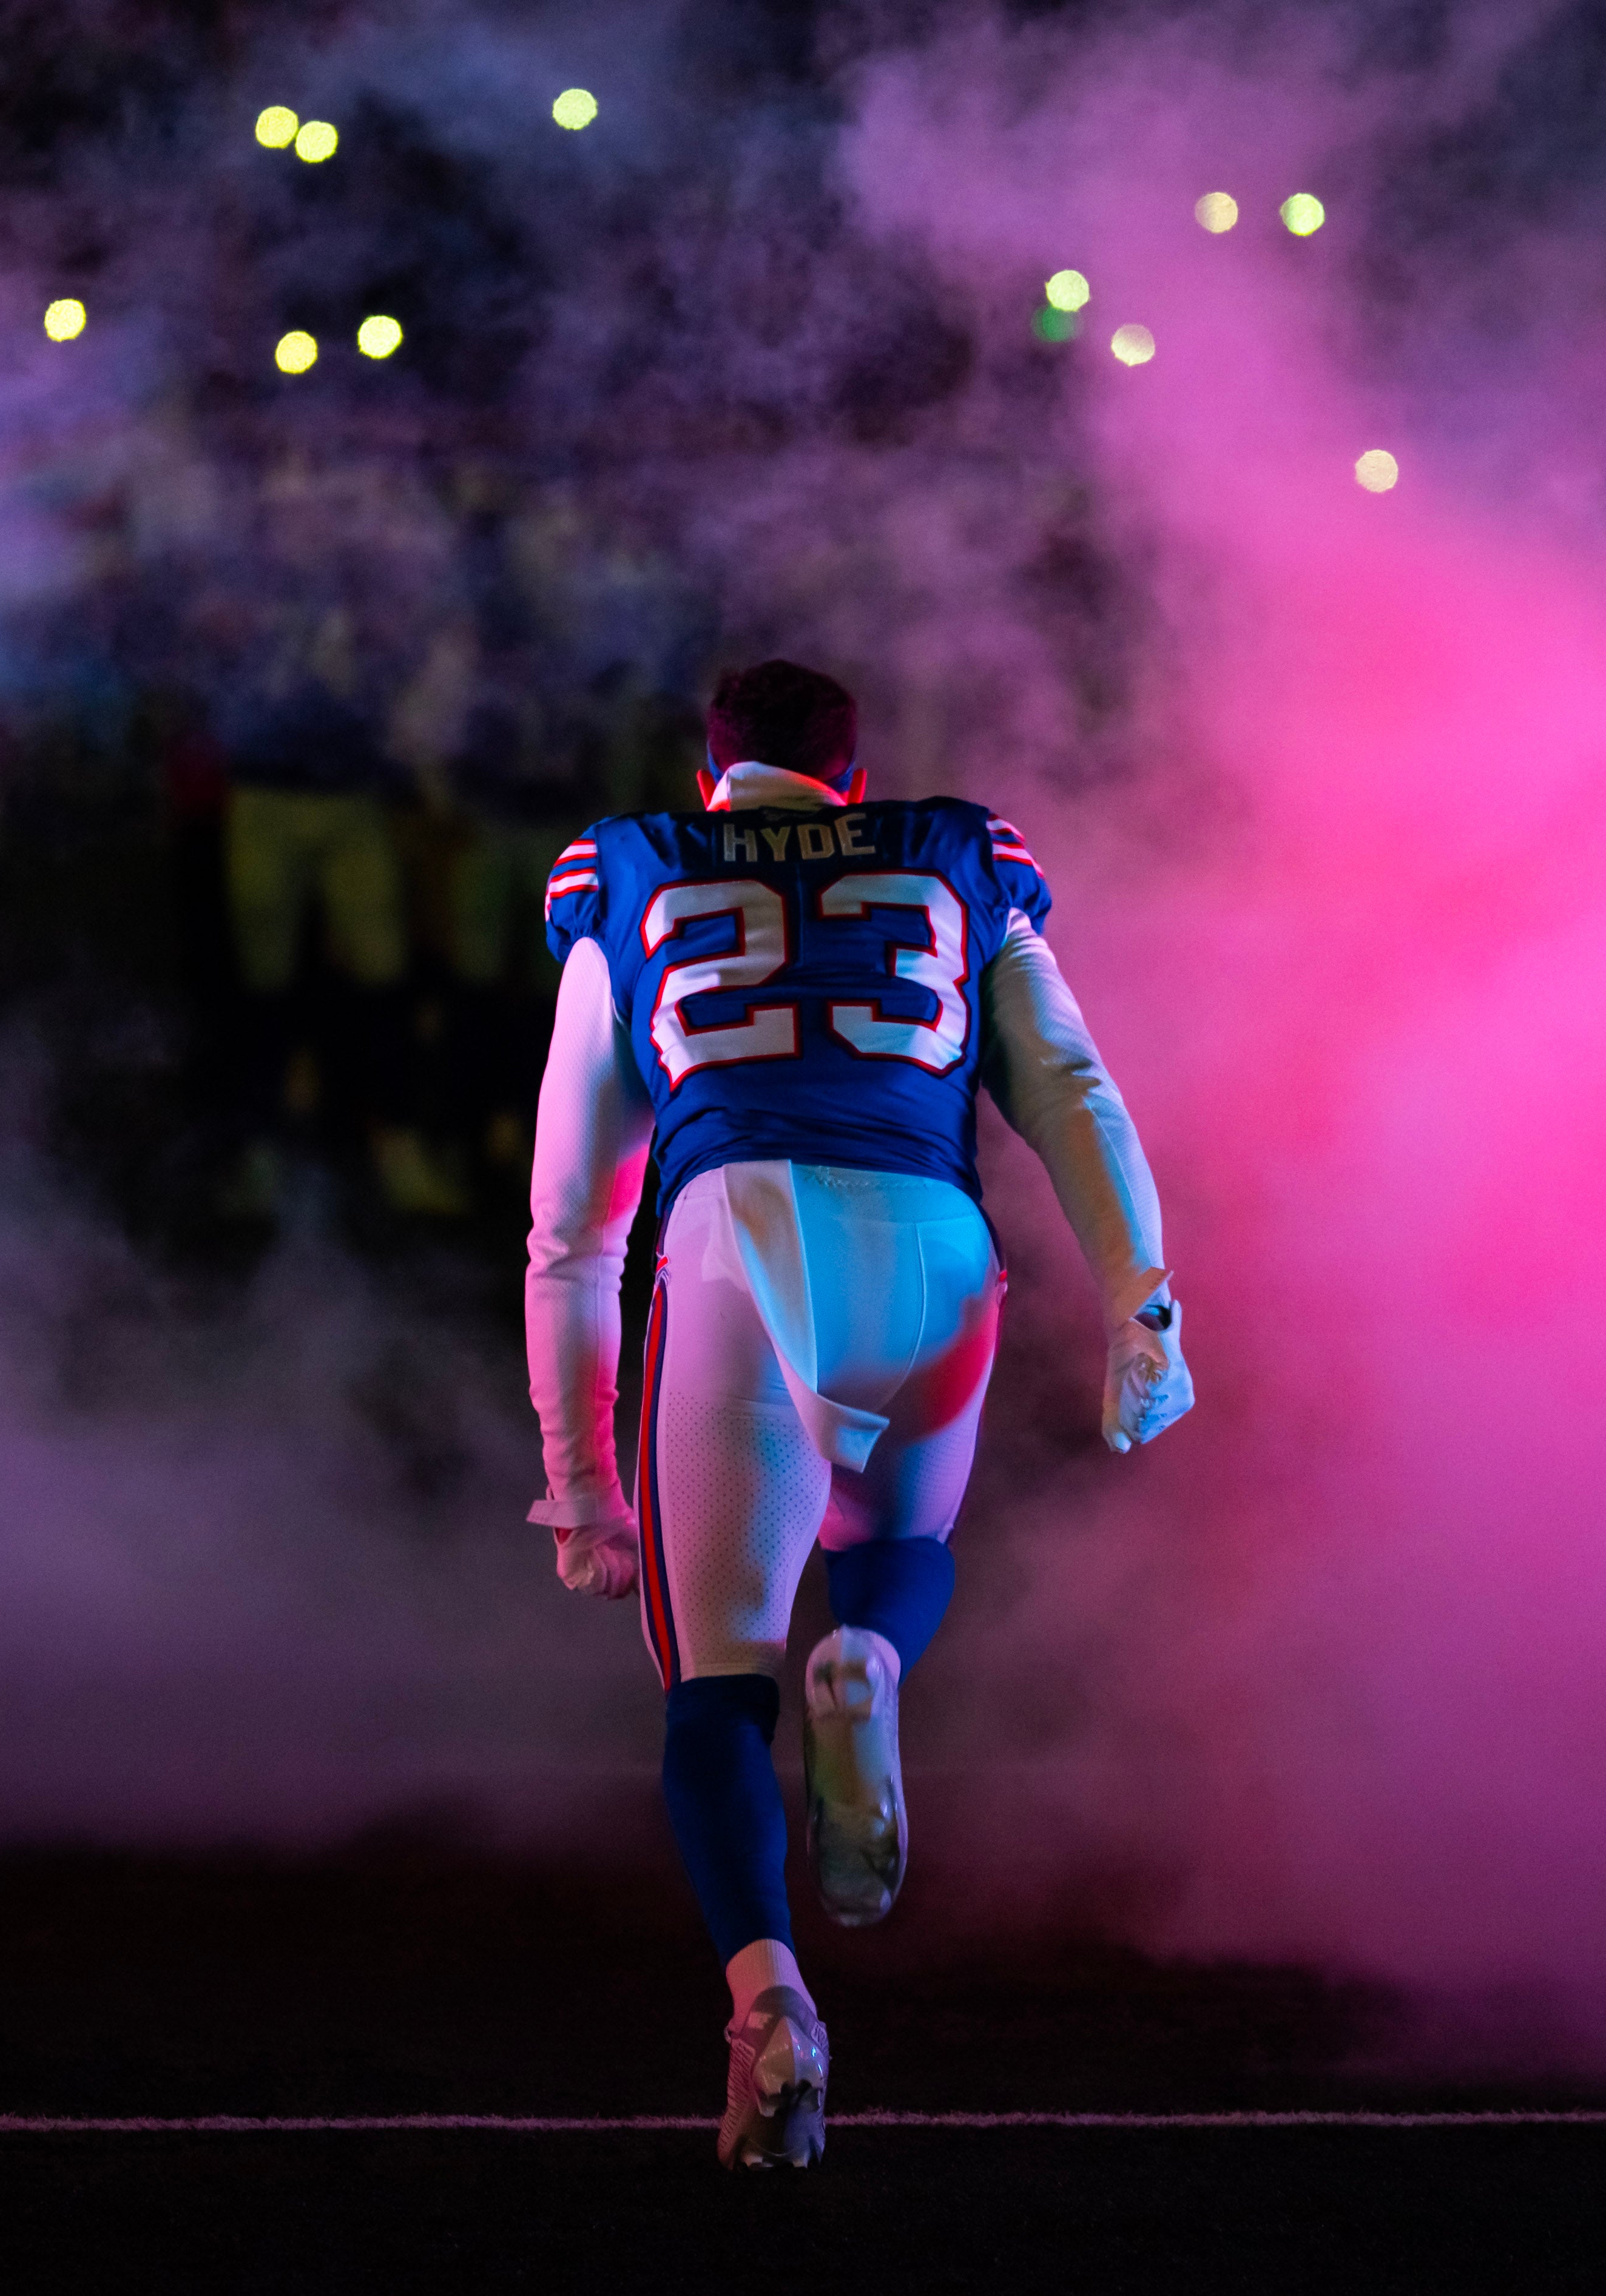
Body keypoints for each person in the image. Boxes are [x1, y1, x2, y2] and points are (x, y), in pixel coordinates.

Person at [525, 659, 1192, 2169]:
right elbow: (1070, 1085)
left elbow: (570, 1218)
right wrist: (1138, 1295)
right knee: (901, 1537)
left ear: (712, 769)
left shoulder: (633, 867)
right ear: (849, 769)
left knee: (712, 1691)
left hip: (730, 1234)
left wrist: (577, 1475)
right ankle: (873, 1655)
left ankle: (771, 2013)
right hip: (929, 1235)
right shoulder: (953, 849)